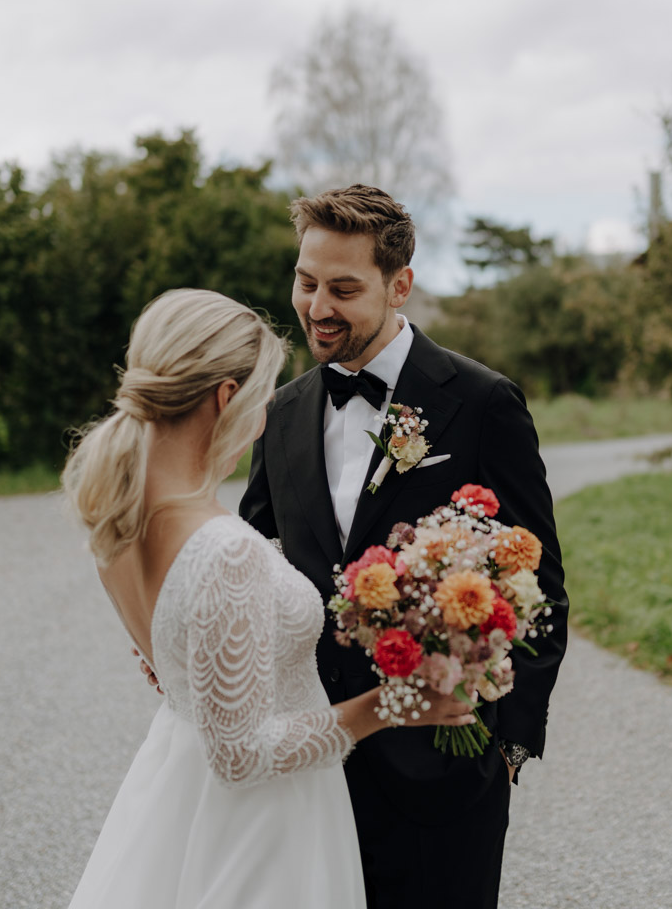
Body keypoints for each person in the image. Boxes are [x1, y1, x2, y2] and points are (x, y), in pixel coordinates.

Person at [62, 288, 475, 909]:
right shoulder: (224, 550)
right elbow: (242, 755)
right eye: (260, 400)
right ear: (226, 398)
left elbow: (180, 668)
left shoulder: (116, 519)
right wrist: (394, 704)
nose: (262, 422)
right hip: (260, 828)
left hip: (177, 790)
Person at [239, 185, 569, 909]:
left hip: (444, 776)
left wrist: (507, 747)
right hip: (309, 764)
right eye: (306, 282)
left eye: (344, 289)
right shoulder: (282, 413)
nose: (318, 306)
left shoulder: (482, 403)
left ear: (400, 285)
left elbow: (539, 582)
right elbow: (250, 556)